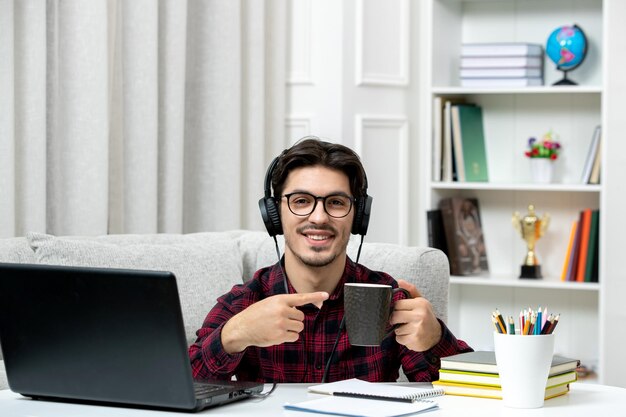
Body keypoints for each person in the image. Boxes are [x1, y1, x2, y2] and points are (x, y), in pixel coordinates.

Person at [189, 137, 472, 383]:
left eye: (336, 202)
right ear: (274, 214)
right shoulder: (245, 303)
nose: (319, 217)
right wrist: (235, 334)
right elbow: (180, 388)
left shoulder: (389, 300)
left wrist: (435, 338)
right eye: (301, 201)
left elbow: (474, 397)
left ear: (358, 216)